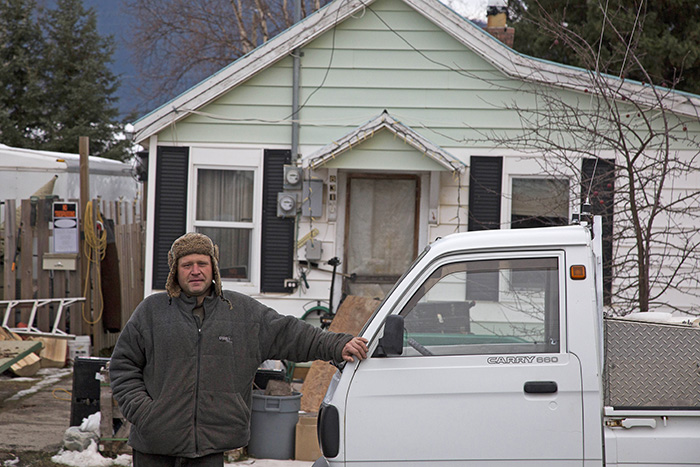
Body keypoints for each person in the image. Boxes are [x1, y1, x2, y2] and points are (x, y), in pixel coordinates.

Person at [109, 232, 368, 466]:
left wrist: (336, 344)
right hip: (154, 447)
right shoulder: (151, 312)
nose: (195, 271)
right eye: (187, 265)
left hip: (208, 450)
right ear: (175, 271)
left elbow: (290, 334)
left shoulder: (241, 313)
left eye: (202, 263)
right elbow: (123, 367)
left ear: (214, 268)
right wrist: (145, 413)